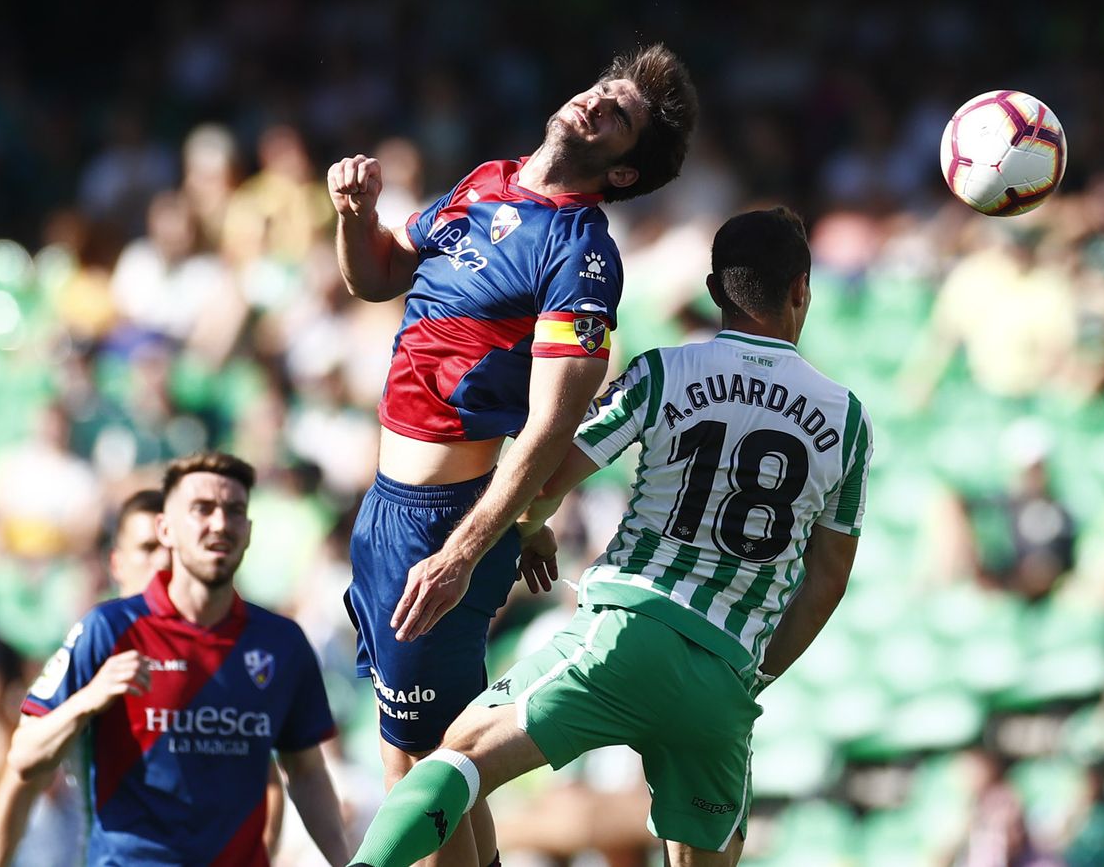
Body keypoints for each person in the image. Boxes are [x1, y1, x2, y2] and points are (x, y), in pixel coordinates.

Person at [345, 207, 873, 866]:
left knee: (459, 755)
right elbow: (827, 579)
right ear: (802, 289)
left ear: (713, 292)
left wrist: (531, 529)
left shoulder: (662, 373)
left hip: (624, 634)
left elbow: (546, 481)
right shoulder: (847, 420)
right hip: (724, 675)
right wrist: (754, 675)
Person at [327, 43, 698, 867]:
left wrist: (463, 554)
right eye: (606, 89)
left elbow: (550, 429)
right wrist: (355, 216)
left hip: (442, 527)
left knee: (418, 774)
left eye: (622, 116)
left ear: (624, 173)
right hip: (388, 511)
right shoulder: (486, 179)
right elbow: (378, 277)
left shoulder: (582, 254)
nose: (600, 102)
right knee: (425, 763)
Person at [0, 454, 350, 866]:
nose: (221, 524)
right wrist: (89, 699)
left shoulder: (280, 643)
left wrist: (344, 860)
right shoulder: (108, 629)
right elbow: (24, 760)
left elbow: (303, 771)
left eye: (235, 511)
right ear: (167, 528)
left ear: (248, 530)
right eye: (202, 509)